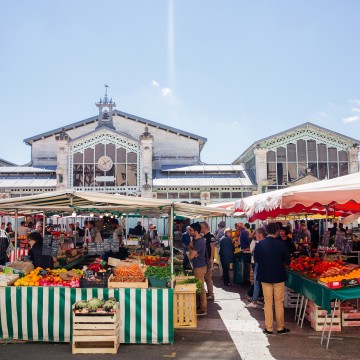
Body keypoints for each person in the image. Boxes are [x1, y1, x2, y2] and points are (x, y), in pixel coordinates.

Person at [254, 222, 291, 335]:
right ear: (276, 231)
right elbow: (287, 261)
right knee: (279, 302)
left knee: (268, 302)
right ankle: (280, 327)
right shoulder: (281, 244)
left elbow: (256, 259)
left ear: (266, 231)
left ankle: (269, 328)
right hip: (279, 276)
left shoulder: (259, 244)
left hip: (265, 276)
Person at [188, 222, 208, 316]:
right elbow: (189, 246)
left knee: (201, 288)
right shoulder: (195, 239)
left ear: (196, 231)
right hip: (198, 265)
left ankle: (203, 309)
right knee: (199, 287)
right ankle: (200, 306)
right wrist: (192, 252)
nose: (189, 231)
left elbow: (191, 256)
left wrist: (192, 253)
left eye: (191, 230)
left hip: (200, 267)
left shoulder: (199, 241)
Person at [246, 227, 266, 308]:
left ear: (260, 234)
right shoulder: (259, 243)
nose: (255, 235)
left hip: (260, 264)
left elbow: (255, 256)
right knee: (259, 283)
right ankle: (255, 301)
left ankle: (256, 302)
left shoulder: (259, 244)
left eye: (256, 234)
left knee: (260, 283)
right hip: (261, 264)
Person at [200, 221, 216, 301]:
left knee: (208, 277)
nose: (200, 229)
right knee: (206, 277)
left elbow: (213, 247)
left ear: (204, 227)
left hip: (208, 259)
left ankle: (211, 294)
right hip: (204, 259)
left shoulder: (211, 236)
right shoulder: (203, 236)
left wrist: (211, 258)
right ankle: (208, 293)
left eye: (201, 227)